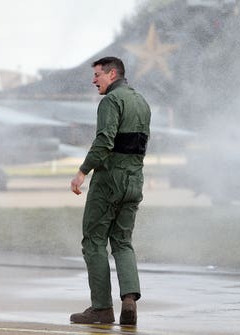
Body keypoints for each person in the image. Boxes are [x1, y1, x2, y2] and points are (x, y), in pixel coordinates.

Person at [70, 57, 151, 326]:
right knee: (123, 242)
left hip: (109, 181)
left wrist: (83, 170)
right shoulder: (141, 102)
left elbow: (105, 139)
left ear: (112, 73)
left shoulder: (110, 101)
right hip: (134, 180)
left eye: (97, 75)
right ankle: (129, 299)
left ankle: (102, 308)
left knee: (93, 242)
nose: (94, 80)